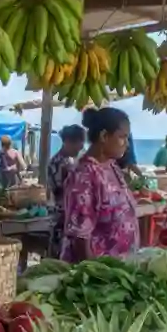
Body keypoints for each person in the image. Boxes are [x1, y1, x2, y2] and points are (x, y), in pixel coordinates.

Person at [61, 106, 139, 263]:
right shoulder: (84, 175)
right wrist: (95, 277)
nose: (127, 144)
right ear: (104, 136)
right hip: (99, 275)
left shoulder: (111, 166)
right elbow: (80, 238)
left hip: (119, 269)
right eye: (122, 137)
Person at [47, 124, 85, 201]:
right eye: (77, 145)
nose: (80, 148)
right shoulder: (57, 163)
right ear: (67, 142)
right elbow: (59, 191)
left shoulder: (71, 159)